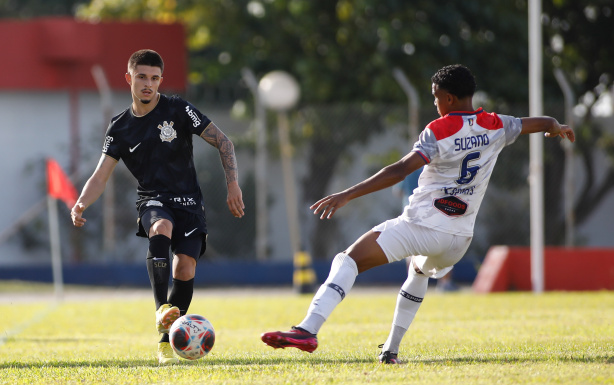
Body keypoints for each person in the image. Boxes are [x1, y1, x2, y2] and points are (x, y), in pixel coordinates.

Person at [261, 64, 575, 363]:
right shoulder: (496, 124)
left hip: (422, 226)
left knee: (349, 260)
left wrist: (348, 194)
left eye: (436, 97)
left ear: (449, 98)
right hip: (459, 240)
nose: (435, 104)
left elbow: (399, 169)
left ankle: (307, 330)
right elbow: (537, 122)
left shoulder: (439, 129)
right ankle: (390, 350)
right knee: (419, 273)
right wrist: (555, 127)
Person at [71, 49, 245, 365]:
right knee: (160, 227)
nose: (148, 84)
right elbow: (100, 175)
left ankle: (168, 341)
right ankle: (160, 310)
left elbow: (224, 142)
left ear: (160, 80)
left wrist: (233, 184)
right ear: (129, 79)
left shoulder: (178, 108)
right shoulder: (120, 127)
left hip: (190, 202)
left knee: (185, 268)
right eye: (141, 77)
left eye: (154, 78)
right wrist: (81, 201)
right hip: (153, 199)